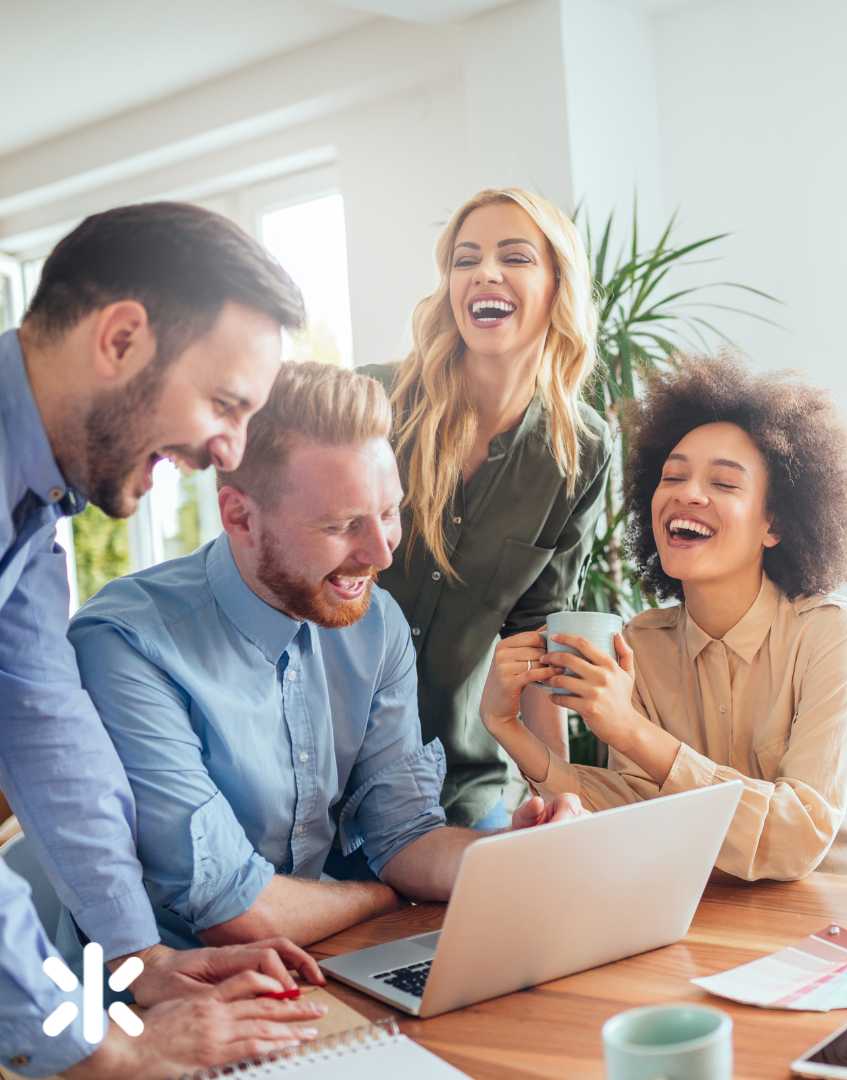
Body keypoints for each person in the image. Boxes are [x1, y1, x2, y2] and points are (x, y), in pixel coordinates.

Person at [67, 363, 584, 952]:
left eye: (390, 513)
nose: (380, 554)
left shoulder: (374, 623)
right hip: (160, 1001)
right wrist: (378, 896)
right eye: (342, 526)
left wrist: (517, 856)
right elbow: (234, 911)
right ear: (239, 516)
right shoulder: (126, 645)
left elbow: (405, 837)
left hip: (316, 962)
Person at [1, 202, 328, 1079]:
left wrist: (137, 960)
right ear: (120, 340)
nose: (230, 453)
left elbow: (46, 729)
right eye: (225, 404)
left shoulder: (30, 507)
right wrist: (101, 1046)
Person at [481, 354, 847, 881]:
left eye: (725, 484)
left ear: (774, 523)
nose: (687, 493)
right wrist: (508, 728)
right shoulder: (642, 643)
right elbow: (636, 815)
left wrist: (631, 730)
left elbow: (796, 839)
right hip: (721, 909)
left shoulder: (836, 633)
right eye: (672, 476)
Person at [362, 187, 612, 828]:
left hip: (459, 789)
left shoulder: (579, 449)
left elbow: (535, 637)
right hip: (325, 772)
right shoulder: (373, 404)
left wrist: (552, 789)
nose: (485, 274)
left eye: (515, 257)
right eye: (465, 259)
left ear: (559, 286)